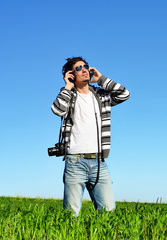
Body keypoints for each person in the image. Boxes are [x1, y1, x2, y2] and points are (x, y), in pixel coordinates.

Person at [51, 57, 130, 216]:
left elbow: (124, 94)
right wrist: (67, 86)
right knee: (71, 217)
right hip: (75, 162)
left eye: (86, 66)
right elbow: (57, 110)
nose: (85, 69)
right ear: (71, 74)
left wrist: (101, 79)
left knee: (108, 214)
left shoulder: (101, 96)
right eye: (78, 68)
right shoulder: (68, 95)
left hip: (99, 162)